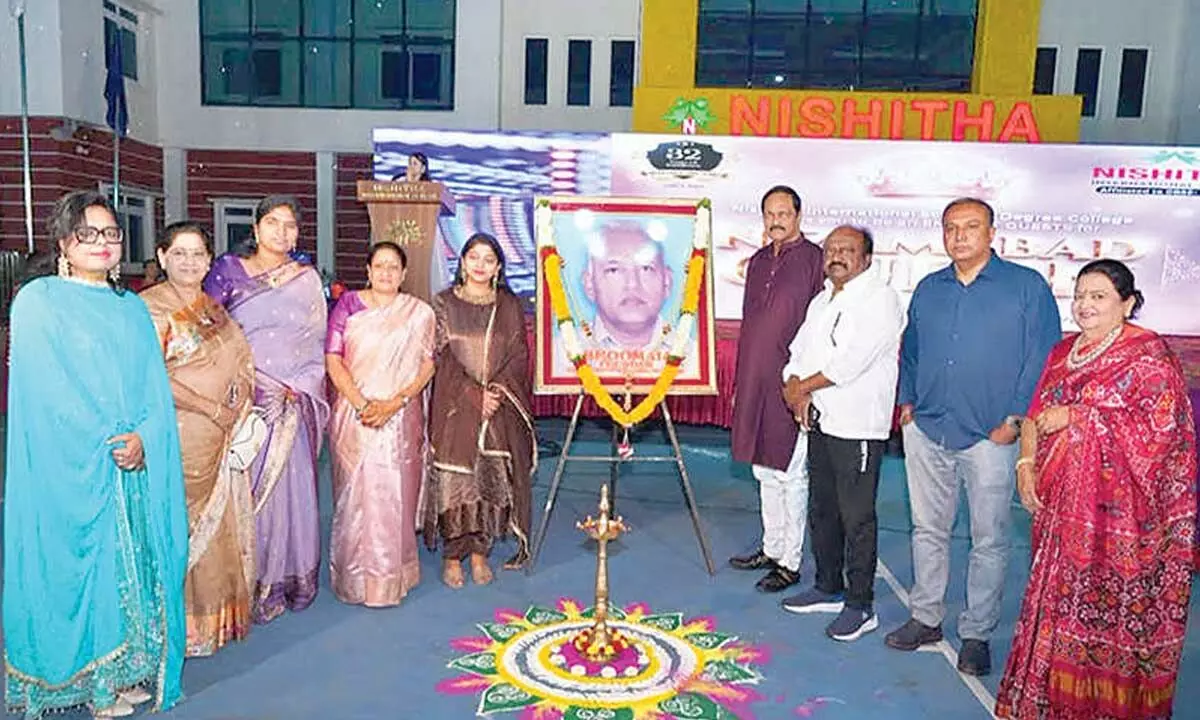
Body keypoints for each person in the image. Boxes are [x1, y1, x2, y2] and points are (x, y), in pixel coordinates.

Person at [4, 190, 188, 718]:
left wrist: (145, 438)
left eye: (111, 233)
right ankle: (89, 684)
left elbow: (153, 388)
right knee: (79, 572)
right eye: (88, 233)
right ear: (64, 242)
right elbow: (47, 390)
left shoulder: (130, 307)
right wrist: (109, 440)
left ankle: (118, 673)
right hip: (70, 465)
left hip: (130, 462)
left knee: (128, 570)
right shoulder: (38, 301)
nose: (102, 243)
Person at [996, 259, 1196, 720]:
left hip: (1122, 523)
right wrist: (1025, 465)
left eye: (1099, 296)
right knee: (1057, 603)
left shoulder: (1148, 355)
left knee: (1110, 616)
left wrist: (1080, 418)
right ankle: (1049, 701)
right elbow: (1035, 414)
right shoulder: (1063, 352)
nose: (1085, 304)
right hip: (1061, 510)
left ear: (1127, 303)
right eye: (1080, 295)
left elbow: (1163, 432)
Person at [885, 197, 1062, 676]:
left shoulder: (1026, 287)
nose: (959, 235)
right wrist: (907, 404)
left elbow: (1043, 357)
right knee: (928, 529)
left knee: (989, 539)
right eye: (951, 227)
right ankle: (926, 618)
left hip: (991, 436)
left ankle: (977, 633)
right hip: (928, 429)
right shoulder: (930, 288)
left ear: (991, 233)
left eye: (971, 226)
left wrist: (1015, 420)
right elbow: (911, 350)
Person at [204, 195, 329, 624]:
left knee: (291, 490)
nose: (281, 232)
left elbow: (316, 342)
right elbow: (209, 332)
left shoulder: (306, 278)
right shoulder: (228, 271)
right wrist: (245, 383)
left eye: (290, 225)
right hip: (245, 398)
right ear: (256, 229)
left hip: (293, 400)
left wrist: (300, 387)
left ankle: (285, 579)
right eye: (273, 222)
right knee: (244, 488)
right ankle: (247, 581)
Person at [777, 226, 905, 642]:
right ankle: (828, 586)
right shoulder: (822, 300)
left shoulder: (880, 299)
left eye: (847, 250)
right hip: (821, 420)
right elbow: (798, 352)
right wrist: (793, 386)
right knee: (823, 509)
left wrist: (801, 388)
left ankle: (860, 604)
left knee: (857, 517)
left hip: (858, 426)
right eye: (831, 249)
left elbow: (851, 363)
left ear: (866, 258)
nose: (837, 256)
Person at [141, 221, 257, 657]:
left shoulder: (213, 307)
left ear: (209, 261)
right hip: (179, 434)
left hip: (221, 434)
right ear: (162, 256)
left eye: (198, 254)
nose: (189, 262)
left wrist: (239, 396)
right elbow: (152, 375)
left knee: (219, 525)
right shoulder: (149, 308)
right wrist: (211, 408)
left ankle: (213, 620)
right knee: (179, 525)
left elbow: (240, 357)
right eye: (180, 253)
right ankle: (179, 627)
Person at [326, 242, 436, 607]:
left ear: (404, 274)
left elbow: (427, 365)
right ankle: (355, 579)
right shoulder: (348, 306)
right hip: (356, 416)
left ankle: (392, 578)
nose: (386, 272)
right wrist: (362, 404)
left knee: (395, 495)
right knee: (356, 499)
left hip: (400, 417)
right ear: (368, 271)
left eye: (393, 267)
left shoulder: (419, 313)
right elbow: (333, 359)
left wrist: (396, 402)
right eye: (379, 266)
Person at [425, 232, 536, 588]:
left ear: (498, 267)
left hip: (497, 407)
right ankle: (452, 555)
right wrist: (474, 395)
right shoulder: (443, 303)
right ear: (461, 261)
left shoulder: (508, 305)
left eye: (489, 259)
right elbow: (441, 357)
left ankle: (479, 553)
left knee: (489, 481)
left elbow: (518, 355)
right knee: (455, 484)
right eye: (474, 257)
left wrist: (496, 393)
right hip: (455, 407)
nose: (480, 265)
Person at [728, 185, 824, 593]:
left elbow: (820, 327)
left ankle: (790, 562)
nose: (776, 220)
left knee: (791, 472)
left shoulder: (815, 260)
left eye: (783, 213)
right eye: (769, 214)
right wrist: (742, 381)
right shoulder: (758, 261)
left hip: (792, 383)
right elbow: (751, 325)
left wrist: (807, 386)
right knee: (763, 469)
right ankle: (771, 548)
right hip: (755, 379)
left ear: (798, 215)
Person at [581, 222, 673, 350]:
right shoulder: (559, 354)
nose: (632, 284)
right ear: (589, 284)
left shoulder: (695, 355)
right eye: (614, 270)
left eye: (646, 268)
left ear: (667, 282)